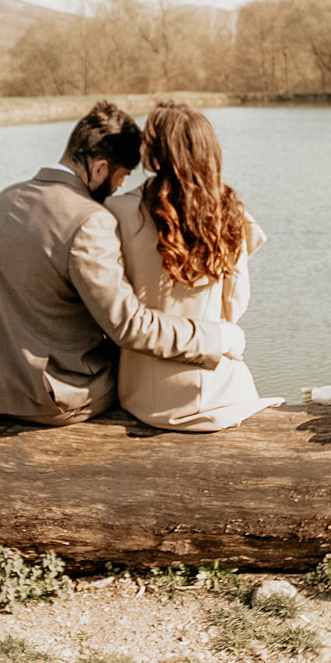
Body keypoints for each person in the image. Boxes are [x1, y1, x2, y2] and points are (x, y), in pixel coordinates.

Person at [0, 101, 243, 425]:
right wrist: (217, 338)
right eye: (122, 177)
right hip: (52, 399)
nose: (120, 188)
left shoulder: (2, 200)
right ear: (100, 168)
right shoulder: (89, 221)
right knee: (141, 373)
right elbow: (130, 326)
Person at [103, 101, 283, 432]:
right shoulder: (232, 213)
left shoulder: (116, 212)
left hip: (144, 397)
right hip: (223, 392)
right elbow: (234, 308)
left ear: (152, 152)